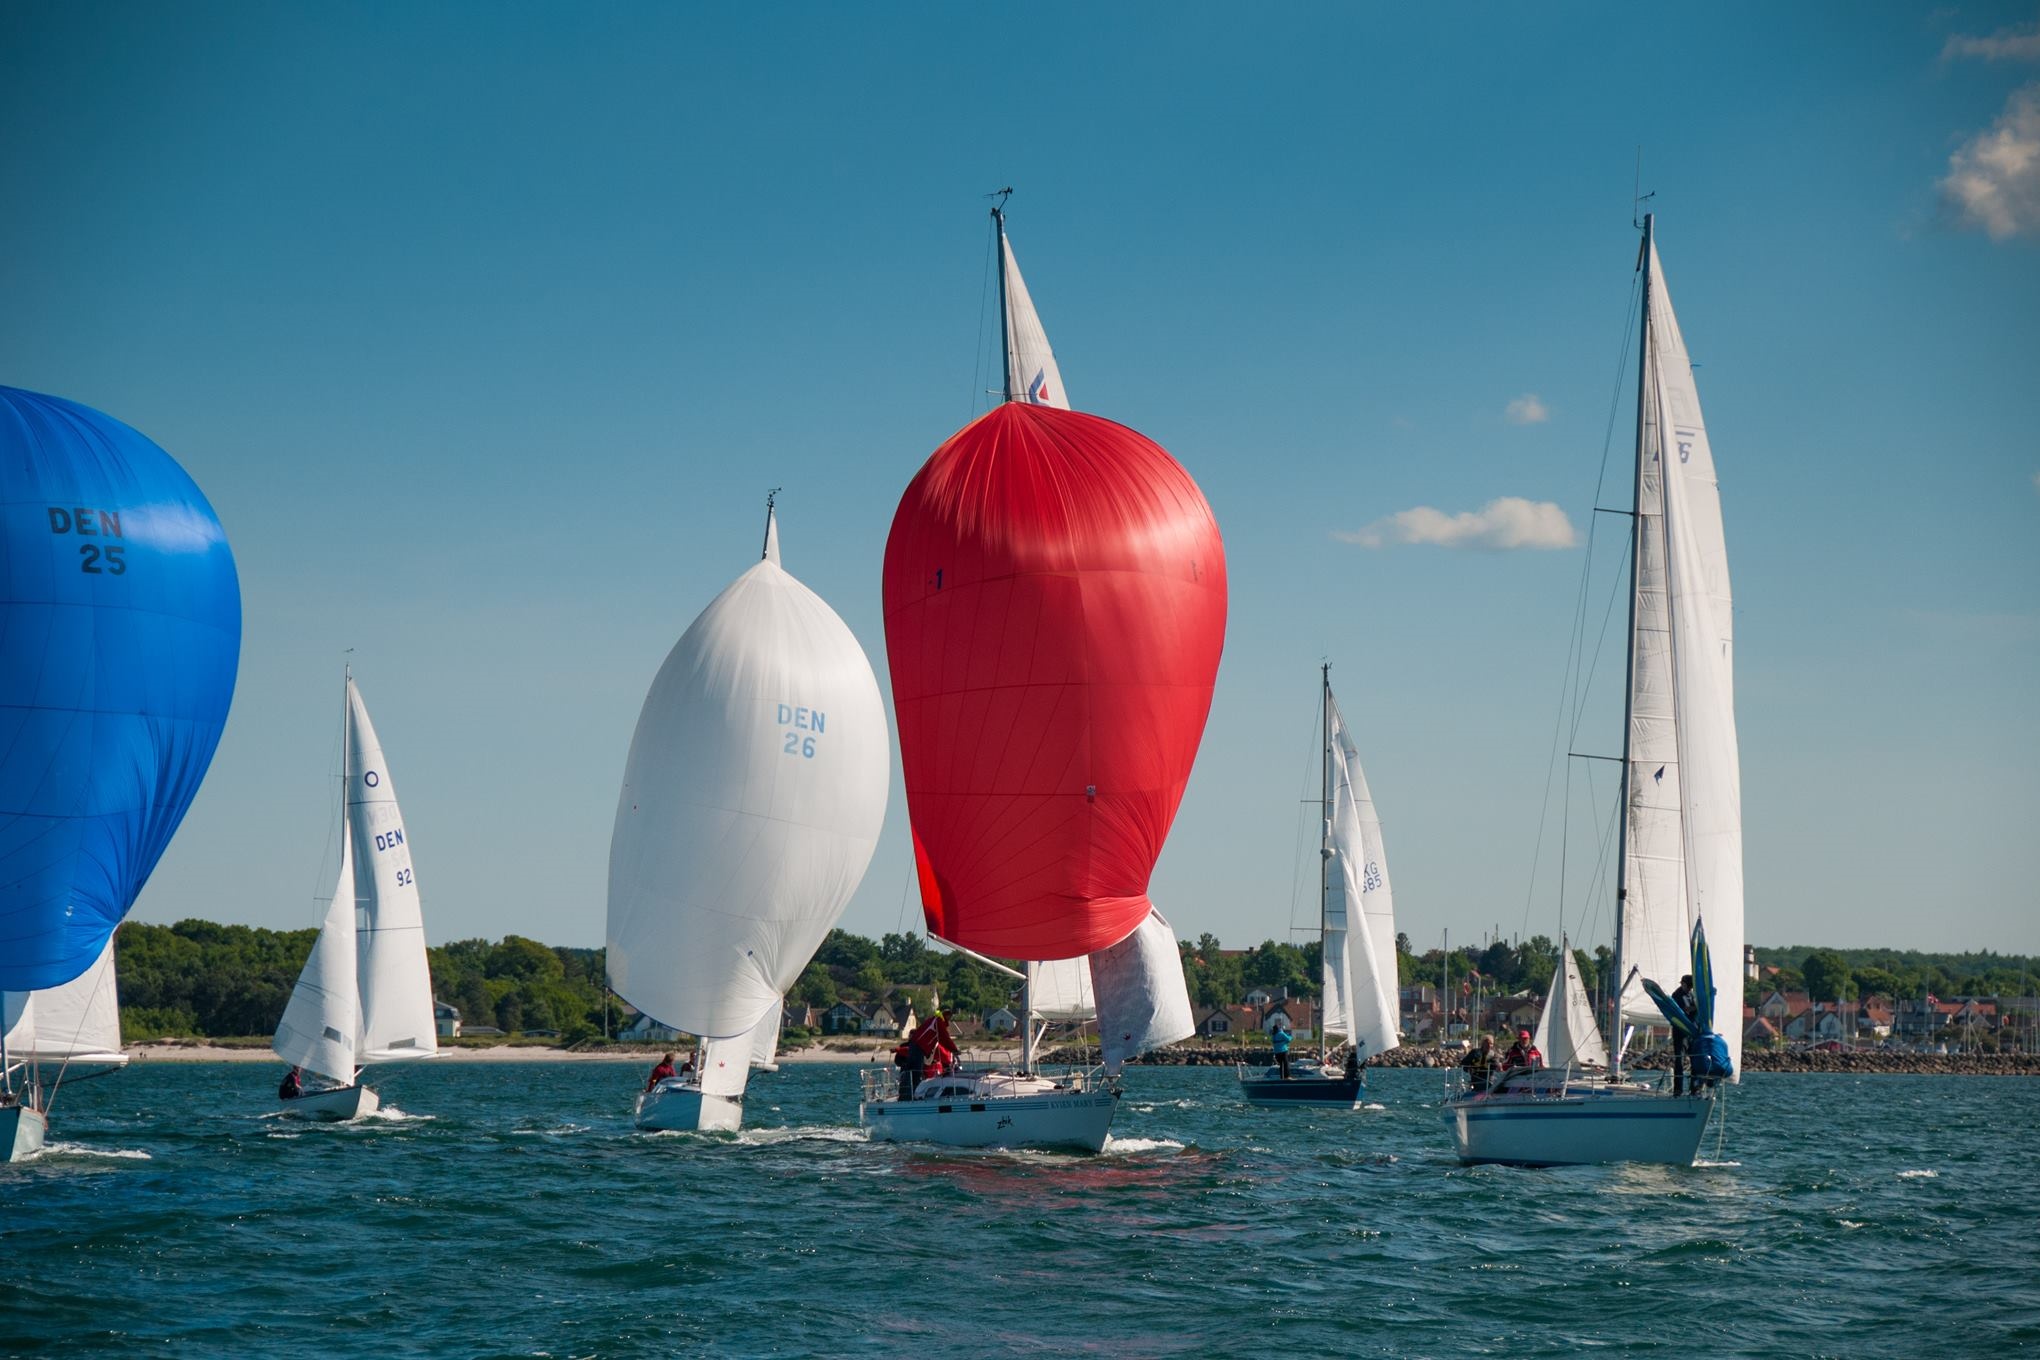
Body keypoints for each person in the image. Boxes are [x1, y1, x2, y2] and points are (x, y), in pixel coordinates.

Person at [1670, 974, 1698, 1096]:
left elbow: (1693, 1009)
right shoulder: (1676, 995)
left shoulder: (1691, 995)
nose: (1689, 988)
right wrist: (1693, 1008)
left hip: (1691, 1032)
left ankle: (1694, 1088)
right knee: (1679, 1061)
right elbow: (1683, 1011)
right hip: (1680, 1033)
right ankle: (1678, 1089)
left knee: (1695, 1059)